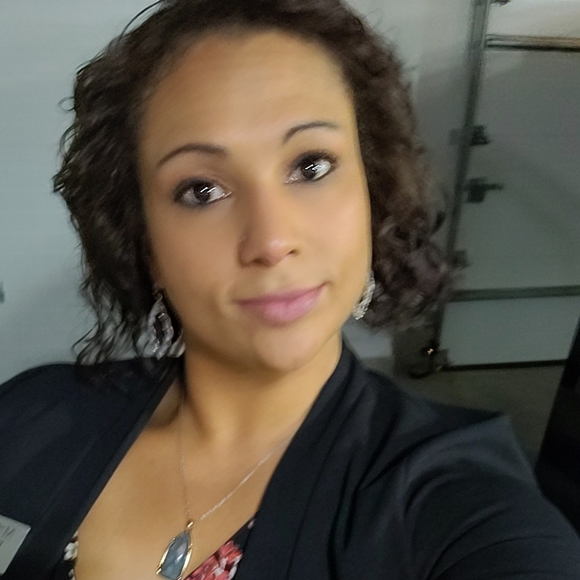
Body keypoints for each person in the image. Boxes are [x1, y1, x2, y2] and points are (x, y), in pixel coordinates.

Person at [1, 0, 580, 579]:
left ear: (372, 195)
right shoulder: (29, 414)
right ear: (145, 243)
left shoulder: (451, 501)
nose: (272, 240)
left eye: (311, 166)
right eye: (201, 190)